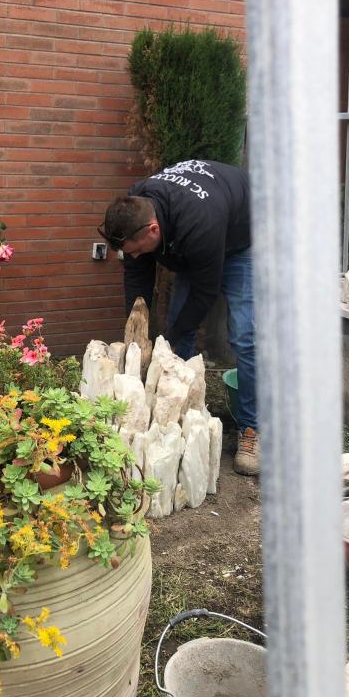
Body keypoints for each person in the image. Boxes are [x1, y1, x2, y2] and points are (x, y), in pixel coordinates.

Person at [99, 159, 259, 476]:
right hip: (198, 238)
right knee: (176, 331)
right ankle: (178, 413)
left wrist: (168, 340)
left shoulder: (199, 223)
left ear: (153, 230)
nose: (133, 256)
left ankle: (252, 428)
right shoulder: (136, 209)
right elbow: (137, 282)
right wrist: (137, 330)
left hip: (243, 236)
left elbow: (205, 293)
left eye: (134, 249)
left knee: (244, 337)